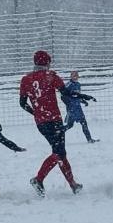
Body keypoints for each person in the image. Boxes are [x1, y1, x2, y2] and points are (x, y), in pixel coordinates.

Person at [20, 50, 94, 197]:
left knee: (60, 152)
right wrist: (82, 95)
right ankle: (38, 179)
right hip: (54, 120)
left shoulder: (26, 79)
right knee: (58, 152)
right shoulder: (51, 76)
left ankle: (73, 184)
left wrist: (36, 112)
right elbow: (66, 92)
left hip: (41, 123)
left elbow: (22, 104)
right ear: (46, 62)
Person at [62, 71, 98, 143]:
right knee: (70, 125)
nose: (75, 77)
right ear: (71, 77)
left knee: (83, 122)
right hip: (72, 108)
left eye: (76, 76)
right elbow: (63, 95)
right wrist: (68, 103)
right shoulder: (68, 85)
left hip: (78, 107)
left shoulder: (78, 84)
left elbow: (78, 95)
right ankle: (57, 134)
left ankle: (89, 139)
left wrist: (83, 101)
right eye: (73, 76)